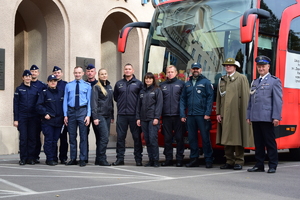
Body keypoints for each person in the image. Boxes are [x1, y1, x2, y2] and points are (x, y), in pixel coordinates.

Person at [247, 55, 283, 173]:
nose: (261, 68)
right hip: (256, 116)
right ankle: (259, 164)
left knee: (270, 142)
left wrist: (276, 117)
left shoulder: (274, 81)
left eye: (263, 66)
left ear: (268, 67)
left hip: (267, 117)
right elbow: (250, 100)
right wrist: (248, 115)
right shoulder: (255, 82)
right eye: (259, 66)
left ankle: (272, 165)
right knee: (258, 142)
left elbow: (278, 100)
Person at [216, 58, 253, 170]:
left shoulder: (241, 78)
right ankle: (229, 161)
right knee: (226, 138)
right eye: (226, 65)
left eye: (230, 65)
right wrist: (218, 112)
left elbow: (246, 97)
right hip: (224, 113)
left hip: (237, 113)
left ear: (235, 67)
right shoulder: (222, 79)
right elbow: (219, 98)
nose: (228, 67)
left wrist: (245, 113)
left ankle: (239, 161)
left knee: (237, 138)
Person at [180, 63, 214, 168]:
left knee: (205, 138)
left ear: (201, 70)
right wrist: (182, 114)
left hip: (202, 115)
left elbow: (210, 98)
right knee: (192, 138)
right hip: (190, 115)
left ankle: (208, 159)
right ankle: (194, 159)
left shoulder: (206, 82)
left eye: (197, 69)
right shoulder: (187, 84)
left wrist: (207, 113)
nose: (195, 70)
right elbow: (182, 100)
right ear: (191, 70)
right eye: (194, 69)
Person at [113, 63, 143, 166]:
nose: (127, 71)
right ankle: (120, 159)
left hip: (134, 115)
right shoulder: (119, 84)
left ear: (133, 71)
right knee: (120, 137)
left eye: (129, 69)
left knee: (136, 138)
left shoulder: (139, 84)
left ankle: (138, 159)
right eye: (126, 69)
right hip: (122, 115)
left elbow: (141, 99)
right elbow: (116, 97)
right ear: (124, 71)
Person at [63, 66, 91, 167]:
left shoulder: (87, 86)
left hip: (82, 111)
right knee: (72, 136)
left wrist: (88, 115)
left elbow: (89, 102)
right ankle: (73, 158)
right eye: (76, 73)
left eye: (79, 73)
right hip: (71, 111)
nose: (77, 74)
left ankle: (83, 158)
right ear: (73, 73)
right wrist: (65, 114)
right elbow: (65, 100)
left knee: (83, 136)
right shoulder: (68, 85)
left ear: (83, 73)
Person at [160, 65, 185, 167]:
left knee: (179, 138)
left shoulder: (181, 84)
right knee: (167, 139)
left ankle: (179, 159)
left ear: (176, 73)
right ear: (166, 73)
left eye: (172, 72)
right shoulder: (162, 85)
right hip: (166, 116)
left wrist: (183, 114)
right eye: (168, 72)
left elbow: (184, 101)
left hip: (178, 116)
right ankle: (168, 159)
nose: (170, 73)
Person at [36, 75, 64, 166]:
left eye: (55, 81)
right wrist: (45, 113)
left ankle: (54, 157)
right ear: (48, 82)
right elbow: (39, 105)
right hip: (48, 121)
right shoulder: (44, 93)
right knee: (49, 140)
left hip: (58, 121)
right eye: (51, 81)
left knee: (55, 140)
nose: (53, 82)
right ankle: (49, 158)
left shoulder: (61, 93)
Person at [13, 70, 40, 165]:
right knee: (23, 138)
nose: (28, 78)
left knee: (32, 138)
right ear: (23, 78)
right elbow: (16, 105)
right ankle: (23, 158)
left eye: (29, 76)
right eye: (26, 76)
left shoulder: (35, 89)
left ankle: (31, 158)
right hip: (22, 117)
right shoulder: (19, 89)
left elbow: (38, 104)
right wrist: (16, 119)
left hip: (33, 117)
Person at [136, 72, 163, 167]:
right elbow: (138, 106)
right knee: (147, 140)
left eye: (150, 79)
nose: (148, 80)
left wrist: (156, 117)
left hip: (152, 119)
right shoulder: (142, 91)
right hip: (143, 119)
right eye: (146, 78)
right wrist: (138, 118)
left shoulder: (157, 90)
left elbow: (159, 105)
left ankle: (155, 160)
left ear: (153, 80)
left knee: (153, 139)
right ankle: (150, 160)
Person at [91, 68, 114, 166]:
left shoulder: (109, 87)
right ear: (98, 76)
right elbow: (94, 103)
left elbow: (111, 103)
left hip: (108, 116)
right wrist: (95, 117)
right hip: (100, 116)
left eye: (105, 74)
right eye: (102, 74)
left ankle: (98, 159)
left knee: (102, 138)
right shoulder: (96, 87)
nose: (104, 75)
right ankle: (102, 159)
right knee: (104, 137)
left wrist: (112, 115)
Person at [30, 65, 47, 164]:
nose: (33, 73)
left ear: (38, 73)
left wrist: (43, 114)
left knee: (37, 137)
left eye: (35, 71)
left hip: (39, 115)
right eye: (32, 71)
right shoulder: (26, 84)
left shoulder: (42, 85)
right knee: (31, 136)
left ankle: (36, 156)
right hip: (30, 114)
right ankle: (30, 156)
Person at [52, 66, 68, 164]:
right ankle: (53, 157)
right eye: (55, 72)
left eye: (58, 72)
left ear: (61, 74)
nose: (57, 74)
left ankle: (63, 157)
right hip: (53, 116)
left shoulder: (66, 85)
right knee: (53, 138)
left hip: (63, 116)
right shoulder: (50, 84)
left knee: (63, 138)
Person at [85, 64, 100, 164]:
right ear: (86, 73)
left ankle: (99, 158)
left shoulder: (99, 84)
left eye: (92, 71)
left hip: (96, 114)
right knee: (84, 136)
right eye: (88, 71)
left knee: (99, 137)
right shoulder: (83, 84)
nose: (90, 73)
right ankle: (84, 157)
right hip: (85, 114)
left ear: (95, 72)